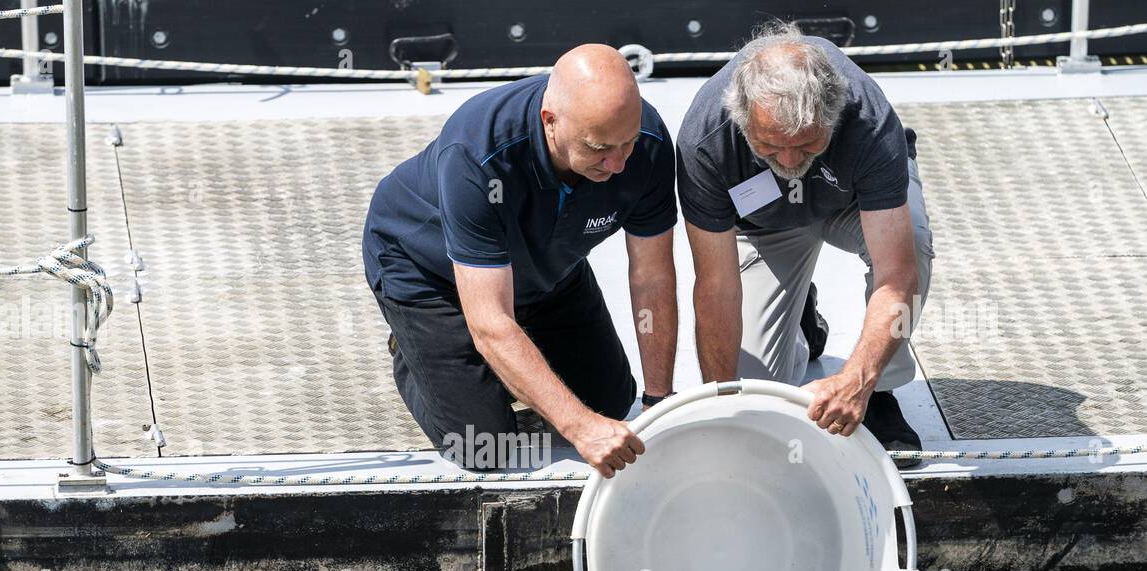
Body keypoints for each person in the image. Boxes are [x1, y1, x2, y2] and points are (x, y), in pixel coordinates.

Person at [363, 44, 679, 477]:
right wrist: (580, 428)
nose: (619, 164)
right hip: (431, 273)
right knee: (484, 445)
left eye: (628, 144)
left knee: (610, 403)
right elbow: (491, 321)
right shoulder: (478, 153)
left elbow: (653, 277)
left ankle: (520, 352)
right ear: (551, 122)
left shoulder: (648, 145)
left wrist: (659, 402)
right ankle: (415, 346)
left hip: (546, 266)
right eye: (600, 148)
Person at [676, 21, 934, 468]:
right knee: (756, 397)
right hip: (766, 222)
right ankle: (801, 323)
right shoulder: (704, 141)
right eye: (772, 147)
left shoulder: (869, 120)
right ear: (742, 120)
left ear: (833, 114)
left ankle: (881, 391)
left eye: (808, 142)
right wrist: (723, 408)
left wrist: (858, 380)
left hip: (853, 203)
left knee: (914, 246)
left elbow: (897, 274)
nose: (791, 161)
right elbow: (716, 286)